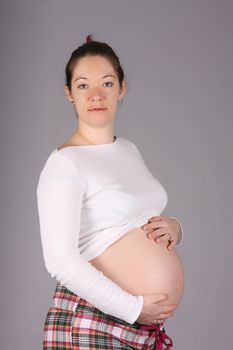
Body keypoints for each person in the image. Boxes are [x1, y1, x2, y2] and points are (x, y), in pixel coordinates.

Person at [36, 34, 185, 350]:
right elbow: (60, 261)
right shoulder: (65, 164)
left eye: (105, 83)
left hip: (136, 329)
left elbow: (132, 217)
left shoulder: (128, 149)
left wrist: (174, 228)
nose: (95, 95)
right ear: (69, 94)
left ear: (122, 88)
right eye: (82, 85)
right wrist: (134, 308)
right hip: (91, 322)